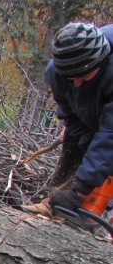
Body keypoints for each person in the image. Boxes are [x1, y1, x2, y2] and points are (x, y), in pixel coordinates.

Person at [25, 22, 113, 216]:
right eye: (71, 78)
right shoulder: (56, 71)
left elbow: (110, 137)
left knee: (104, 156)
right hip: (96, 105)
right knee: (75, 141)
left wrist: (79, 190)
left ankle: (89, 214)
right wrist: (85, 144)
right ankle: (54, 204)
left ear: (101, 62)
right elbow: (70, 114)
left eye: (83, 76)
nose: (77, 83)